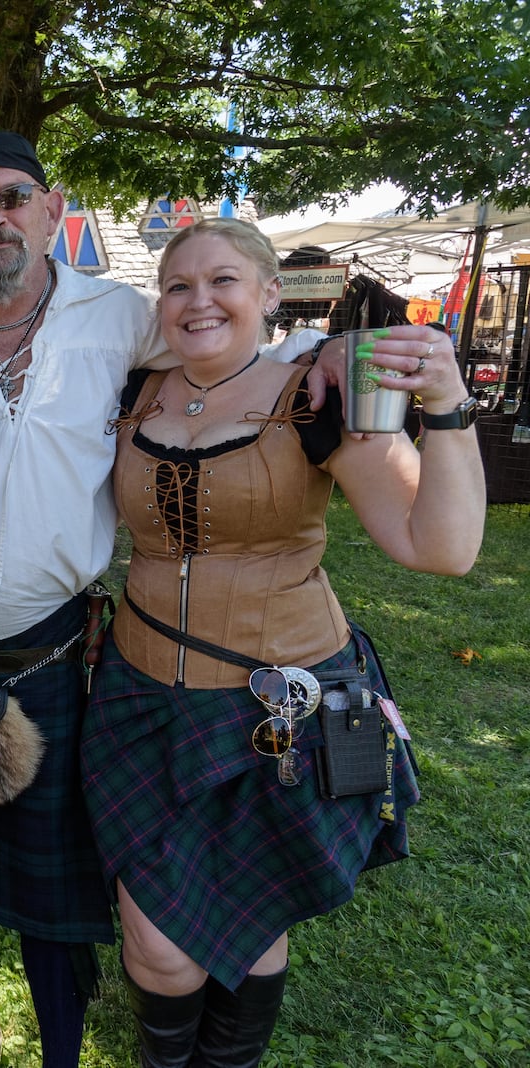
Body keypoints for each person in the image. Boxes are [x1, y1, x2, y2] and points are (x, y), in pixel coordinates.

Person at [0, 131, 331, 1068]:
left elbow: (221, 333)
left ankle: (60, 1052)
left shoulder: (123, 319)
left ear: (52, 208)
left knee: (54, 891)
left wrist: (326, 350)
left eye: (13, 198)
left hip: (52, 653)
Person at [80, 218, 484, 1068]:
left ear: (269, 294)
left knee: (255, 916)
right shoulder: (136, 390)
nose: (199, 302)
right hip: (138, 694)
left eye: (224, 281)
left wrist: (446, 408)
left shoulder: (321, 399)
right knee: (157, 940)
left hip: (278, 707)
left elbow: (439, 549)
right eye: (179, 285)